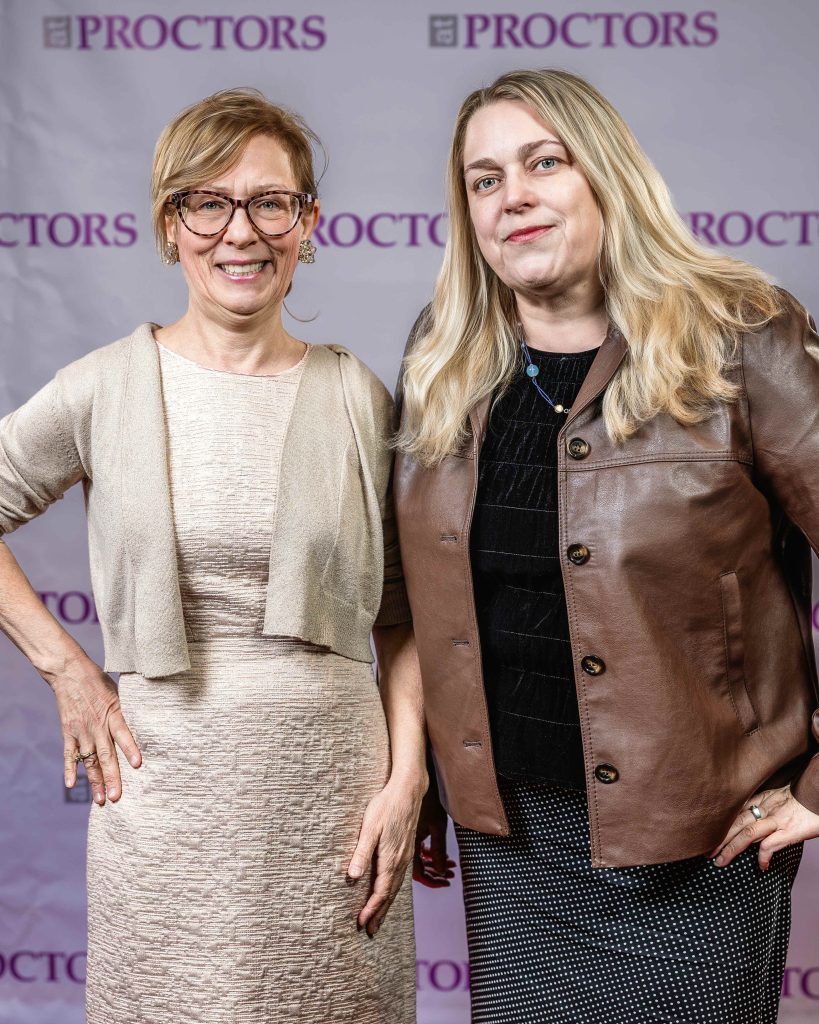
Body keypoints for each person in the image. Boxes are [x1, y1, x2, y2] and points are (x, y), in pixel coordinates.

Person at [394, 67, 819, 1024]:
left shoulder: (739, 334)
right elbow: (420, 601)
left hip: (700, 843)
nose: (513, 196)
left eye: (543, 163)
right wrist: (421, 779)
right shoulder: (444, 356)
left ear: (606, 175)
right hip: (510, 842)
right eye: (484, 179)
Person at [0, 88, 425, 1024]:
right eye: (208, 203)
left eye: (271, 203)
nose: (241, 232)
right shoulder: (104, 387)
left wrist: (408, 781)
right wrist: (66, 668)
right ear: (170, 224)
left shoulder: (357, 397)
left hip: (336, 815)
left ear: (307, 223)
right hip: (164, 809)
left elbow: (403, 618)